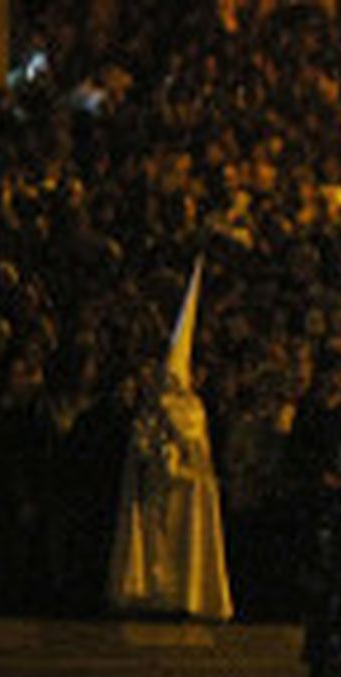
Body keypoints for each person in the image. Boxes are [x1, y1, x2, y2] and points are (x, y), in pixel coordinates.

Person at [107, 259, 234, 620]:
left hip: (188, 487)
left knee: (186, 547)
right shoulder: (153, 407)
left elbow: (195, 444)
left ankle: (187, 596)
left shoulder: (193, 408)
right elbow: (143, 445)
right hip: (160, 488)